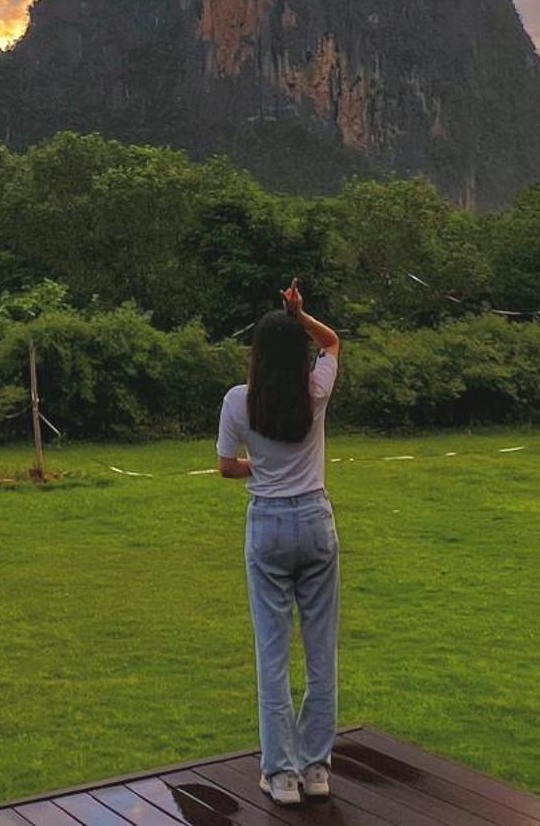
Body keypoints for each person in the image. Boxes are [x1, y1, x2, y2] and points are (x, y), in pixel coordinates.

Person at [215, 277, 342, 807]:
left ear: (256, 354)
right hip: (315, 521)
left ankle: (282, 776)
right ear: (296, 352)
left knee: (272, 655)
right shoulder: (314, 391)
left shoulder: (239, 401)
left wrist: (261, 466)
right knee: (320, 653)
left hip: (266, 524)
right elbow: (332, 342)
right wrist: (299, 313)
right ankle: (316, 771)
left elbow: (226, 468)